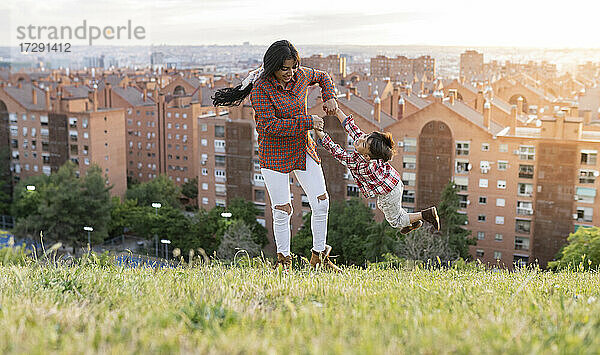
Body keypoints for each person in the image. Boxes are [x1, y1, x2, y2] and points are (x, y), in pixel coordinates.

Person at [212, 40, 341, 272]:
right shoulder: (261, 87)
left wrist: (329, 95)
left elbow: (323, 77)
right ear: (272, 67)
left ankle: (319, 258)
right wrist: (307, 122)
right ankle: (284, 263)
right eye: (284, 68)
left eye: (293, 67)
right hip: (274, 153)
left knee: (322, 202)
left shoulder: (300, 75)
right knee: (283, 209)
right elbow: (268, 126)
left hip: (302, 147)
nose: (291, 73)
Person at [314, 107, 440, 234]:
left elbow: (336, 150)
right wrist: (336, 111)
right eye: (365, 137)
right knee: (390, 209)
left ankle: (426, 214)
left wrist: (319, 132)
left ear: (367, 156)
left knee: (395, 221)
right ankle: (412, 220)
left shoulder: (359, 164)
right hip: (393, 182)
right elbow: (351, 127)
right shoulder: (369, 146)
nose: (359, 140)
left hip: (389, 193)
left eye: (362, 143)